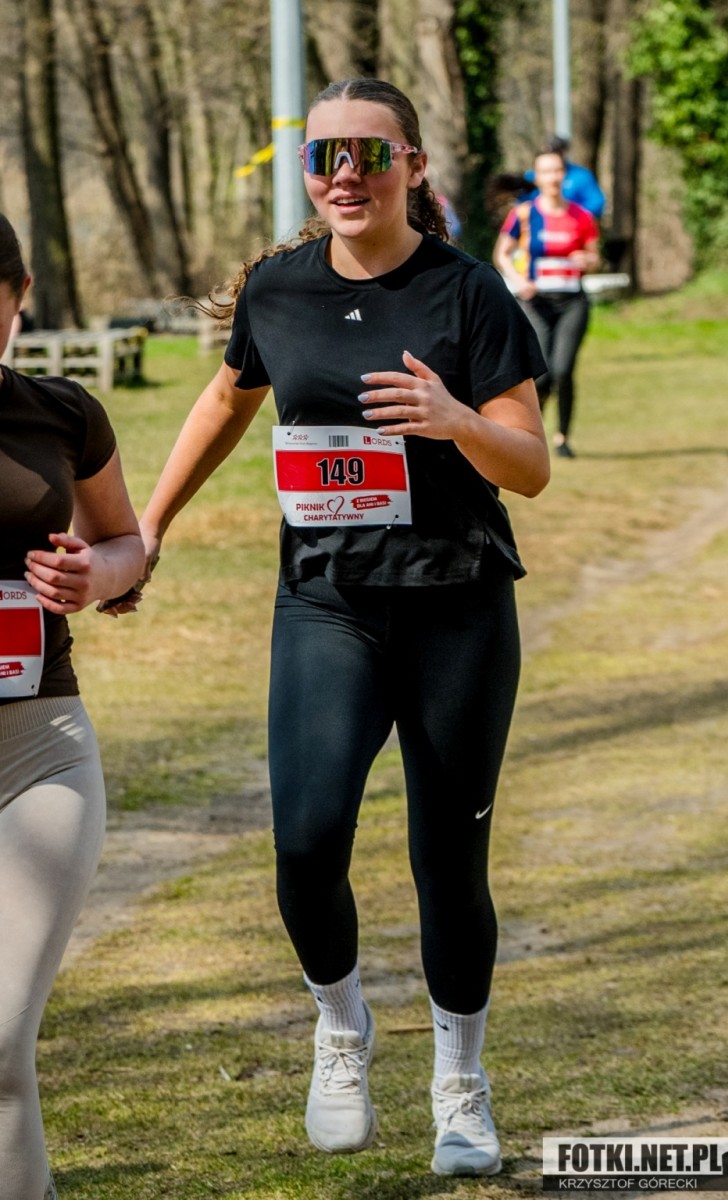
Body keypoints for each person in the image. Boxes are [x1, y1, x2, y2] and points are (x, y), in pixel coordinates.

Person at [131, 77, 549, 1178]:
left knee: (446, 859)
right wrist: (151, 525)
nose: (346, 174)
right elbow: (226, 399)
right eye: (325, 156)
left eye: (369, 153)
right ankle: (340, 1026)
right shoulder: (278, 289)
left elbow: (529, 465)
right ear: (306, 170)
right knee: (307, 840)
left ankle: (459, 1082)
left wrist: (455, 420)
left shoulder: (468, 291)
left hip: (457, 603)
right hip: (326, 600)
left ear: (412, 163)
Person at [0, 214, 145, 1200]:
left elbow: (126, 542)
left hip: (37, 748)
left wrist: (98, 574)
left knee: (0, 1040)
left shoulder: (62, 413)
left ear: (19, 299)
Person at [493, 146, 600, 459]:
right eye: (546, 171)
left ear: (564, 175)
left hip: (573, 302)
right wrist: (518, 281)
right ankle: (530, 430)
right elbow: (501, 253)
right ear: (536, 177)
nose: (553, 177)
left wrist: (587, 260)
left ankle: (562, 437)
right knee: (542, 374)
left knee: (564, 370)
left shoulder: (581, 216)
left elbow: (595, 258)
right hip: (535, 302)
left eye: (557, 171)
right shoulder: (524, 214)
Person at [522, 135, 606, 219]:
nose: (553, 178)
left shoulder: (581, 175)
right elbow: (523, 200)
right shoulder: (532, 176)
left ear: (565, 152)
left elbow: (597, 202)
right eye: (550, 150)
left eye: (557, 151)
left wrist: (574, 215)